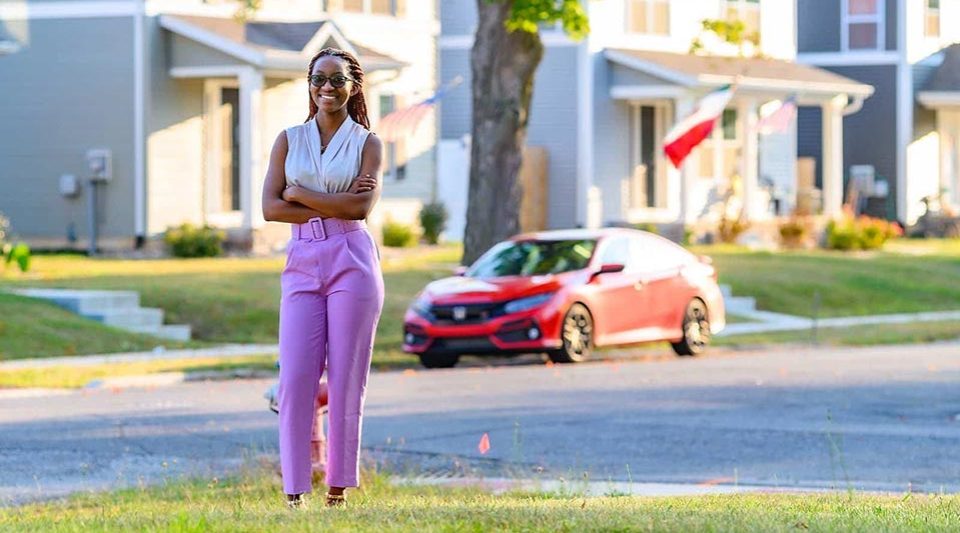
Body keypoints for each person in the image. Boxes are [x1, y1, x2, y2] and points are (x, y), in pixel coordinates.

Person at [261, 47, 384, 509]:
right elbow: (271, 209)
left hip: (352, 255)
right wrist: (320, 200)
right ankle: (294, 492)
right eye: (318, 79)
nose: (326, 88)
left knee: (347, 376)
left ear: (353, 86)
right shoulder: (288, 139)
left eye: (336, 80)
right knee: (295, 378)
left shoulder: (367, 142)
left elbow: (360, 209)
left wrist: (299, 192)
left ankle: (337, 490)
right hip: (302, 258)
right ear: (309, 84)